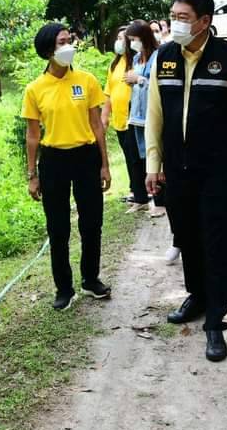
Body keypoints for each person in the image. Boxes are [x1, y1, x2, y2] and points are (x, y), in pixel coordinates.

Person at [145, 0, 227, 362]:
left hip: (217, 170)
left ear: (205, 21)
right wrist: (153, 165)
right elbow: (155, 116)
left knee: (216, 242)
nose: (176, 23)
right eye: (173, 15)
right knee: (187, 236)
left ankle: (216, 322)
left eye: (183, 17)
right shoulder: (165, 57)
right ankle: (197, 295)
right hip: (178, 169)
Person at [22, 23, 113, 310]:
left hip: (86, 157)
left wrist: (105, 165)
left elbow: (96, 124)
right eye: (62, 42)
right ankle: (64, 288)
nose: (68, 46)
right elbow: (33, 135)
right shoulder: (35, 89)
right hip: (53, 160)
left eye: (69, 40)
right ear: (48, 50)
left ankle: (91, 279)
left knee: (92, 223)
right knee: (58, 228)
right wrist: (32, 175)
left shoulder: (86, 81)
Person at [125, 21, 181, 266]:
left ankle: (178, 237)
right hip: (140, 119)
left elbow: (159, 89)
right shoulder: (137, 57)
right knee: (151, 166)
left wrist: (139, 80)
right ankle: (173, 230)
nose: (131, 43)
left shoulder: (162, 56)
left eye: (134, 38)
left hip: (161, 121)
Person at [102, 27, 148, 210]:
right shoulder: (115, 64)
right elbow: (108, 92)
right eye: (118, 37)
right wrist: (104, 117)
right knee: (130, 158)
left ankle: (142, 196)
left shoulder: (135, 61)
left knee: (138, 158)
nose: (119, 41)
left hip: (133, 117)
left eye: (123, 38)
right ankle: (137, 193)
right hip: (119, 120)